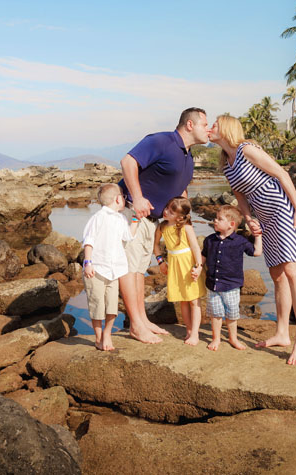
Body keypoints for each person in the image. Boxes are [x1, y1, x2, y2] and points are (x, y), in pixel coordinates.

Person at [209, 114, 296, 366]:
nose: (210, 128)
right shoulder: (227, 164)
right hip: (264, 218)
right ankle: (282, 333)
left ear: (226, 129)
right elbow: (240, 196)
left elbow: (281, 174)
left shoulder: (247, 150)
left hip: (283, 212)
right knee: (277, 275)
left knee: (291, 270)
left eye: (214, 124)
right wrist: (247, 218)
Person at [118, 107, 210, 344]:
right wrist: (137, 197)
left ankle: (142, 319)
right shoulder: (162, 140)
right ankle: (136, 326)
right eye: (204, 124)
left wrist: (183, 220)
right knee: (129, 269)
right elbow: (128, 162)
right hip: (132, 213)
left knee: (138, 269)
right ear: (190, 125)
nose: (208, 129)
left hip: (153, 220)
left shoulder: (188, 157)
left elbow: (180, 191)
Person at [202, 204, 263, 351]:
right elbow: (203, 256)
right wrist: (197, 268)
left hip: (231, 285)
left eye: (219, 219)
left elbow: (256, 252)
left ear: (231, 224)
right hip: (213, 284)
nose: (215, 221)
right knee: (215, 314)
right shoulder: (210, 240)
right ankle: (216, 338)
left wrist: (258, 236)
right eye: (216, 218)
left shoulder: (240, 241)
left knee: (231, 313)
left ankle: (233, 338)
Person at [81, 183, 132, 351]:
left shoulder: (121, 218)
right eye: (123, 197)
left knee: (111, 305)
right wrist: (88, 263)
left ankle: (107, 334)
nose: (124, 200)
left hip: (113, 269)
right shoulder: (98, 218)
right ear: (118, 199)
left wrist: (136, 219)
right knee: (97, 304)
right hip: (96, 269)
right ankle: (98, 337)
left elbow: (128, 236)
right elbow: (89, 241)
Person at [153, 197, 206, 345]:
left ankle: (195, 333)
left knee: (194, 300)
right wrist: (160, 262)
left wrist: (198, 266)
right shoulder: (162, 227)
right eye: (167, 209)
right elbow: (156, 246)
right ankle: (189, 330)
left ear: (180, 216)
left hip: (188, 265)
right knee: (183, 299)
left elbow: (195, 247)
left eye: (171, 212)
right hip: (174, 265)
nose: (165, 212)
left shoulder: (186, 227)